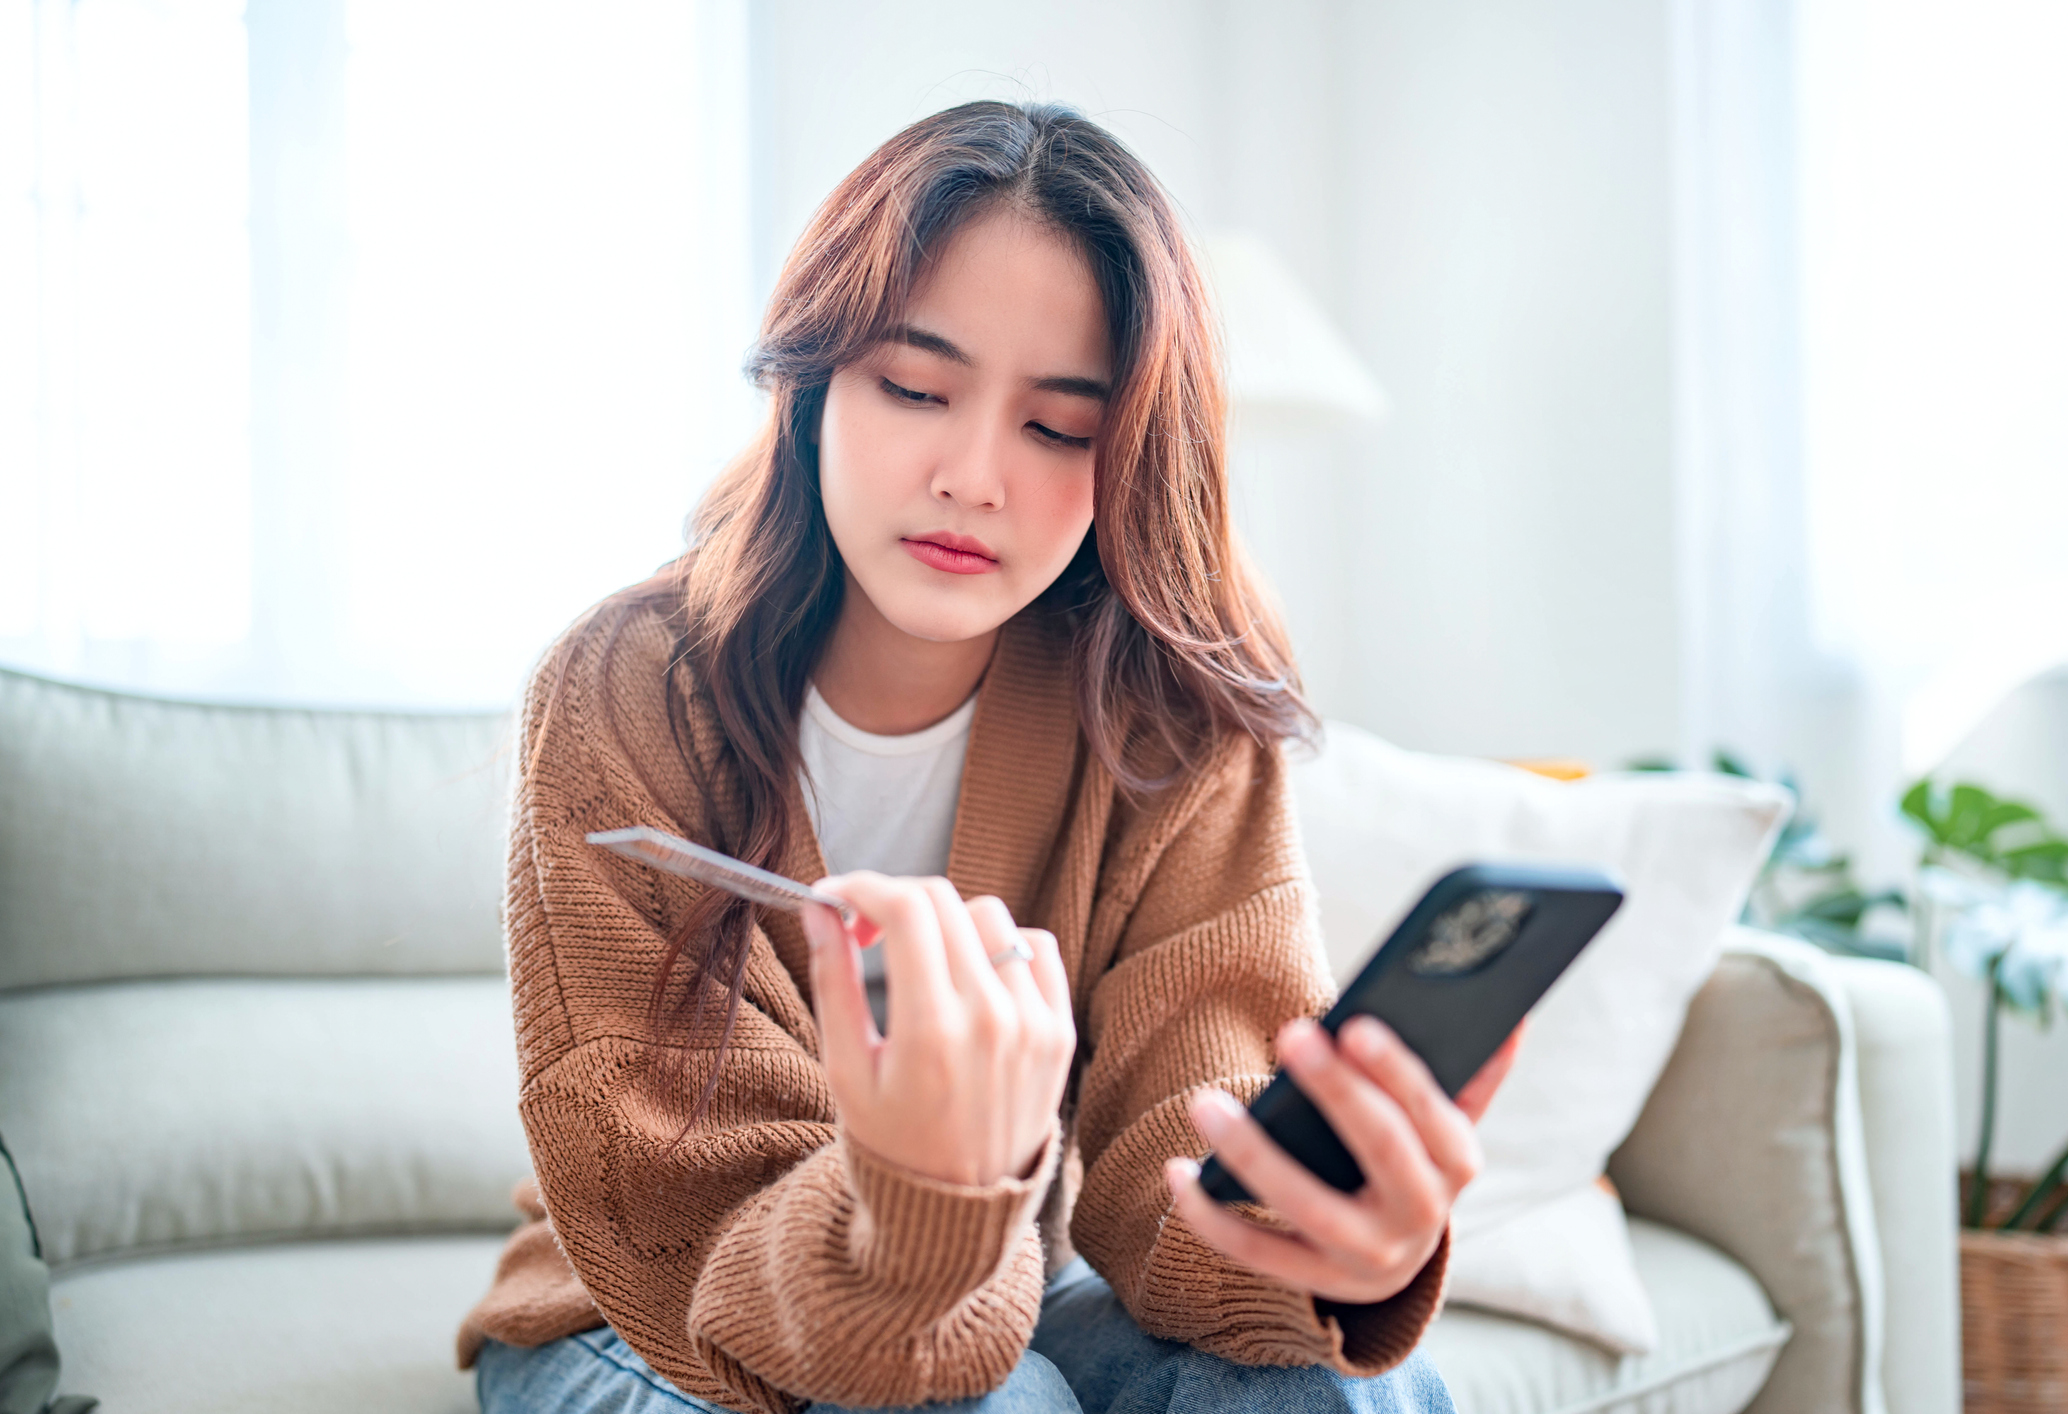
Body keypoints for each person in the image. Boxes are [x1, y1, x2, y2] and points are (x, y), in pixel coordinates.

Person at [457, 100, 1517, 1414]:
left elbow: (1173, 1168)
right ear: (812, 383)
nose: (972, 474)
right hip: (655, 1303)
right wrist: (922, 1202)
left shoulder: (1165, 712)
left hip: (1001, 1276)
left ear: (1127, 454)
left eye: (1059, 427)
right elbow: (686, 1222)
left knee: (1342, 1395)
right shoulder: (622, 690)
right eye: (913, 388)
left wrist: (1314, 1241)